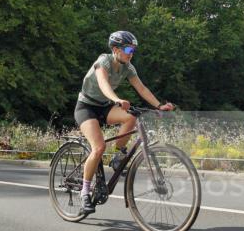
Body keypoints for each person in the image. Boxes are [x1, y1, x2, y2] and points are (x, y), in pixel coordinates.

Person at [74, 31, 174, 215]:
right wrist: (117, 99)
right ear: (115, 49)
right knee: (98, 148)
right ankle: (85, 193)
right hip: (86, 107)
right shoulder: (103, 61)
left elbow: (141, 88)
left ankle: (118, 155)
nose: (131, 53)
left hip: (104, 106)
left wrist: (159, 105)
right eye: (128, 49)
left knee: (131, 117)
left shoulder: (128, 67)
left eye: (133, 50)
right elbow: (103, 84)